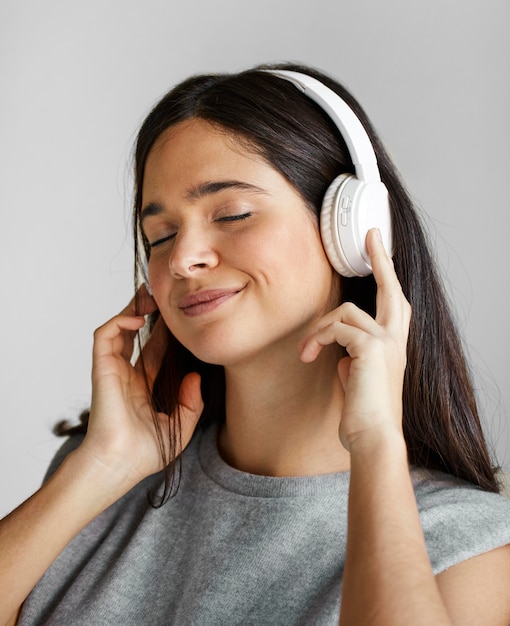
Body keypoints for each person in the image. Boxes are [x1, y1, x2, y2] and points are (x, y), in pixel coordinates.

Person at [2, 62, 510, 626]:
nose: (183, 258)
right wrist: (101, 465)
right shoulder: (98, 478)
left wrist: (375, 444)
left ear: (351, 230)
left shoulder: (468, 546)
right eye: (161, 235)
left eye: (233, 214)